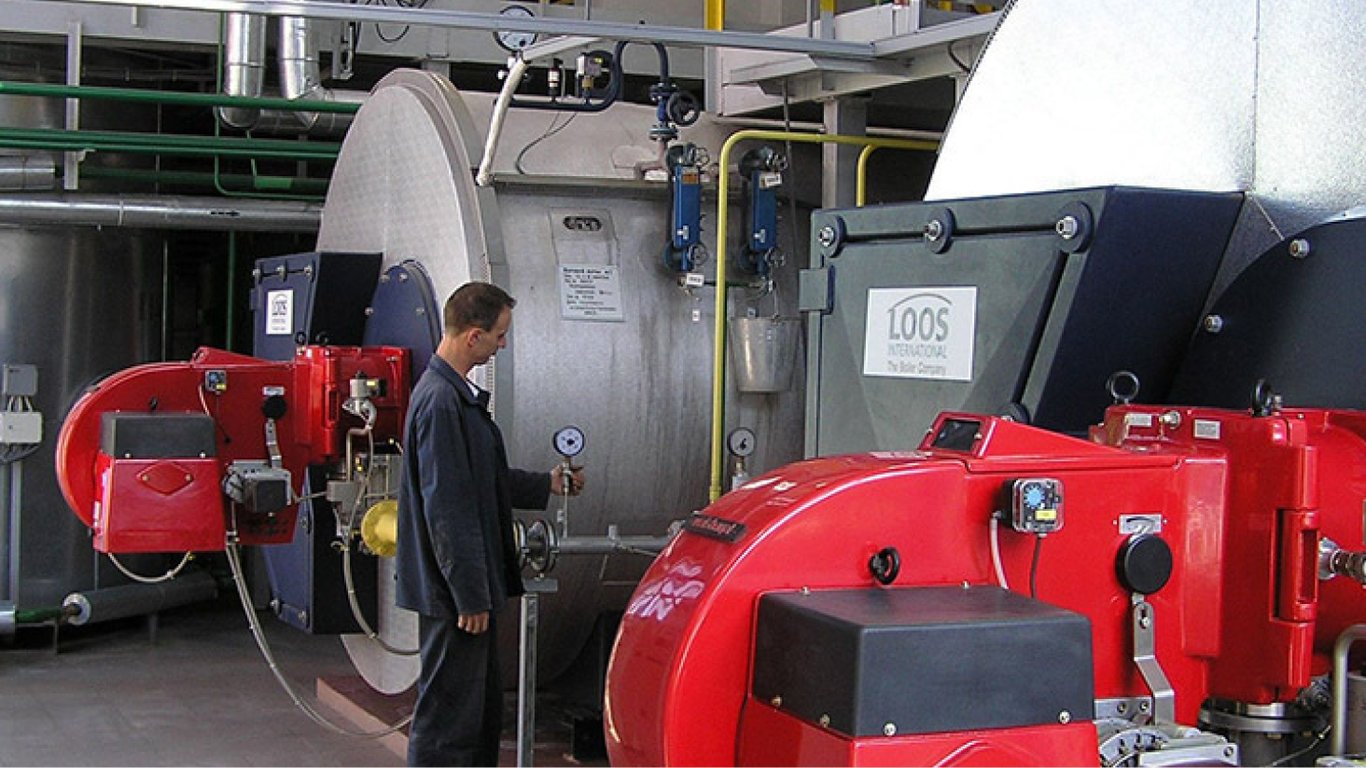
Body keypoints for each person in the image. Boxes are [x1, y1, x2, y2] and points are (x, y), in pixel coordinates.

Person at [396, 281, 583, 767]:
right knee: (448, 724)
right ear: (473, 335)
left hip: (462, 591)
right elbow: (448, 510)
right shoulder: (441, 402)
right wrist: (470, 595)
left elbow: (482, 480)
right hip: (454, 597)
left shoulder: (454, 398)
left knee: (476, 717)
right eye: (499, 335)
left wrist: (547, 484)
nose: (503, 344)